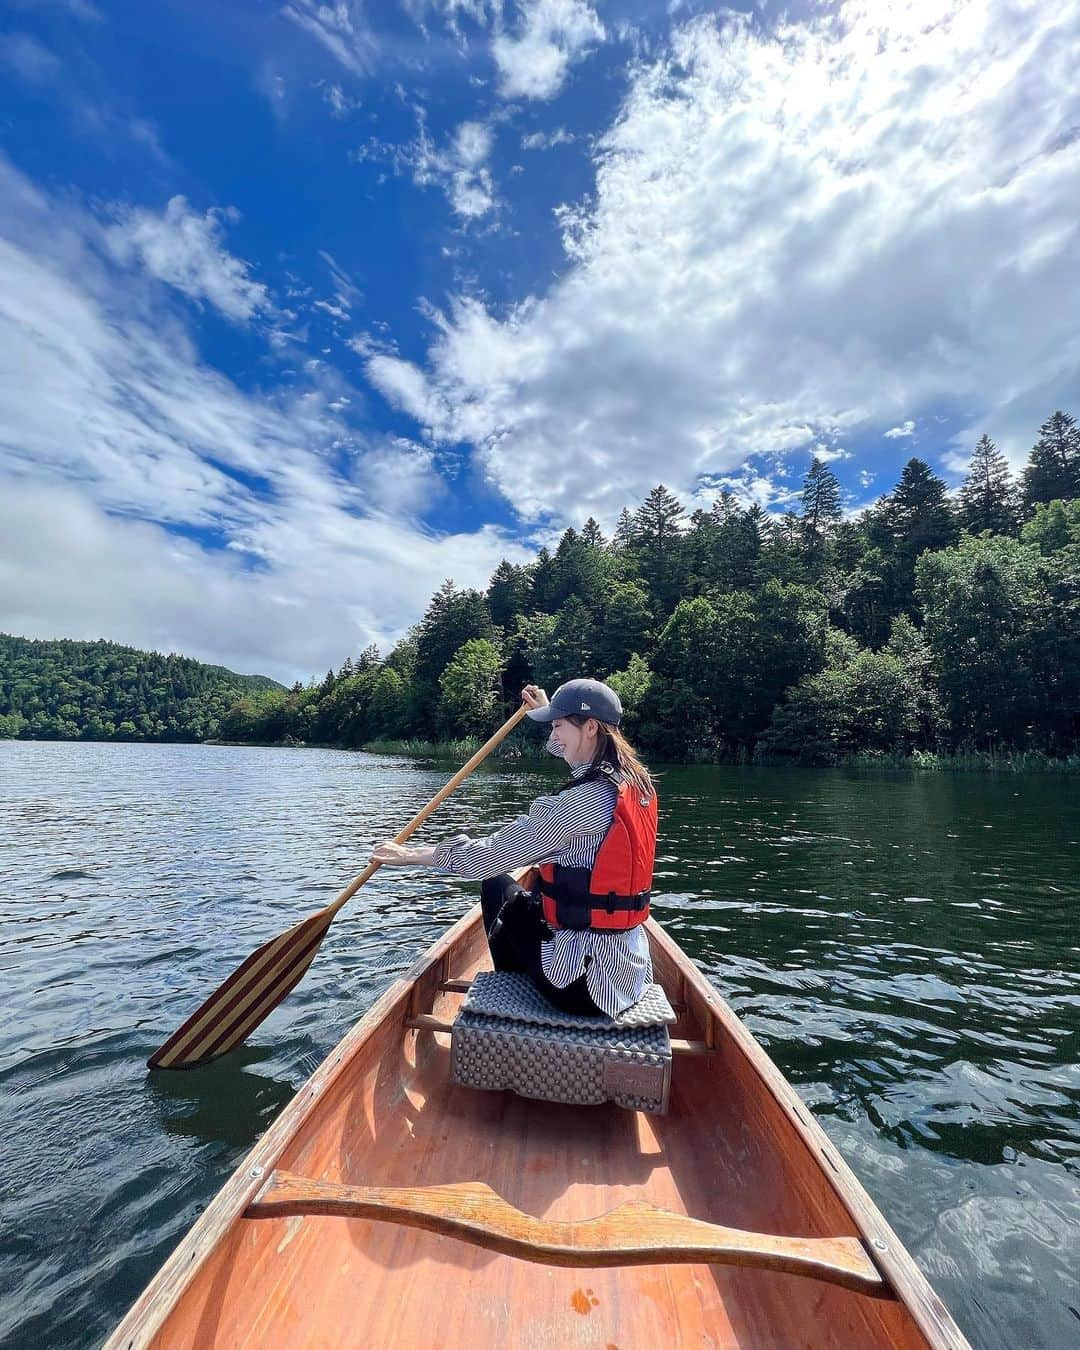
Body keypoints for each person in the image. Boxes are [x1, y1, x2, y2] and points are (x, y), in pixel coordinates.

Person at [370, 678, 658, 1018]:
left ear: (591, 726)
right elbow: (569, 751)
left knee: (495, 883)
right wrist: (545, 711)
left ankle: (517, 992)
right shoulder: (632, 780)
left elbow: (487, 858)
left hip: (584, 989)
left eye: (559, 726)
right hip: (627, 976)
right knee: (530, 894)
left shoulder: (577, 804)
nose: (554, 736)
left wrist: (413, 855)